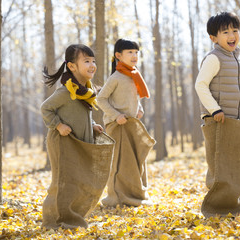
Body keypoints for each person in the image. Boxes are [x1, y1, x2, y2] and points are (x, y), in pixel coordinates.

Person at [41, 44, 114, 229]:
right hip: (62, 142)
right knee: (61, 182)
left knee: (79, 181)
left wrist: (92, 125)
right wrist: (58, 125)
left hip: (79, 143)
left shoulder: (85, 92)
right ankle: (52, 221)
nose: (92, 65)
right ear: (72, 66)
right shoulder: (66, 92)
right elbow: (45, 108)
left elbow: (79, 115)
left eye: (93, 61)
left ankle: (71, 217)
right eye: (86, 61)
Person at [195, 12, 240, 218]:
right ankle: (216, 207)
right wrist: (215, 110)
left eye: (235, 30)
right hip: (217, 119)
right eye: (225, 32)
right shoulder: (214, 58)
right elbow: (200, 85)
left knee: (233, 163)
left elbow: (234, 87)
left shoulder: (235, 56)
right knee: (218, 163)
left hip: (233, 118)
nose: (232, 35)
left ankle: (231, 204)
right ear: (214, 38)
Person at [97, 38, 155, 207]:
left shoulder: (134, 74)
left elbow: (136, 97)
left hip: (131, 124)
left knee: (136, 160)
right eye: (130, 52)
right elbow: (101, 99)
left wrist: (140, 109)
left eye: (136, 52)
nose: (134, 55)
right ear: (118, 55)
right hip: (117, 125)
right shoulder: (116, 77)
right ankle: (116, 197)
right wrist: (116, 115)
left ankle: (136, 194)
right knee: (120, 162)